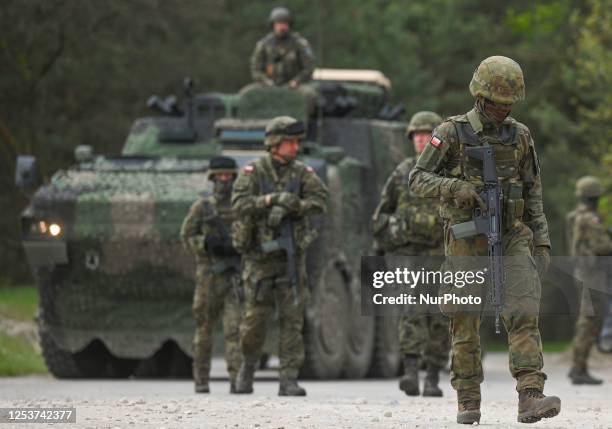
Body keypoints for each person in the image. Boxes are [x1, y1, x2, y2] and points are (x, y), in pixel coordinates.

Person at [409, 56, 561, 424]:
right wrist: (453, 186)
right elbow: (416, 179)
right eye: (497, 103)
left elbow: (533, 193)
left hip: (512, 236)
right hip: (465, 240)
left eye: (509, 104)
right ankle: (467, 398)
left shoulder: (520, 136)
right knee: (464, 320)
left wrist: (541, 242)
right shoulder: (450, 132)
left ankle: (530, 394)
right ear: (480, 97)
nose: (503, 110)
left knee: (524, 312)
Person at [231, 116, 328, 396]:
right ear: (274, 144)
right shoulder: (254, 172)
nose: (295, 147)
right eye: (289, 142)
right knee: (253, 321)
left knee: (292, 320)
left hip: (290, 261)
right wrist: (270, 201)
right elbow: (238, 205)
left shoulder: (302, 173)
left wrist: (294, 205)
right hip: (259, 260)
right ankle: (246, 369)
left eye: (297, 142)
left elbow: (320, 202)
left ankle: (288, 379)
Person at [371, 111, 449, 397]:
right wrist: (386, 241)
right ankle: (410, 373)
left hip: (442, 254)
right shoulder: (403, 172)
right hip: (409, 255)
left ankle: (432, 377)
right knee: (411, 312)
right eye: (415, 136)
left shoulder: (449, 172)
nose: (419, 140)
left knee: (441, 314)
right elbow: (382, 212)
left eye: (425, 135)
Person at [180, 156, 242, 393]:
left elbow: (252, 236)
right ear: (212, 178)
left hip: (233, 278)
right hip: (208, 277)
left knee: (234, 331)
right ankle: (201, 379)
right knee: (204, 331)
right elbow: (186, 236)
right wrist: (205, 243)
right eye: (220, 176)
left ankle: (236, 380)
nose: (224, 181)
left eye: (228, 176)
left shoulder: (240, 207)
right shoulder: (203, 208)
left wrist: (238, 246)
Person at [566, 175, 612, 384]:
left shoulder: (575, 215)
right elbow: (602, 247)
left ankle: (578, 367)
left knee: (588, 319)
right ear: (595, 195)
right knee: (590, 321)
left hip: (583, 272)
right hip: (591, 274)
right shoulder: (590, 219)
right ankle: (578, 368)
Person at [250, 7, 315, 87]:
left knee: (310, 94)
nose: (282, 27)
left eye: (284, 24)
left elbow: (308, 68)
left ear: (289, 25)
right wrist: (266, 81)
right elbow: (256, 70)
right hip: (268, 84)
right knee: (247, 93)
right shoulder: (264, 44)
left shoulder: (299, 43)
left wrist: (296, 81)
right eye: (279, 24)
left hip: (295, 85)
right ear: (273, 25)